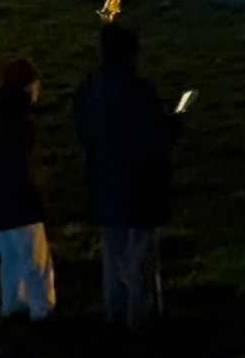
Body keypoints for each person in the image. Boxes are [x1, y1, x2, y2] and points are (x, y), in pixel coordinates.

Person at [73, 22, 177, 329]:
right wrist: (174, 122)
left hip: (103, 184)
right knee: (140, 257)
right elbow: (154, 139)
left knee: (113, 256)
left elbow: (82, 130)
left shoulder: (90, 89)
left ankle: (115, 317)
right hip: (139, 187)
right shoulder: (138, 91)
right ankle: (140, 323)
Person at [0, 58, 55, 320]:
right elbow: (22, 162)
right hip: (19, 201)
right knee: (35, 260)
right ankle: (42, 311)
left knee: (10, 259)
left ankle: (12, 307)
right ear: (29, 85)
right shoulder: (19, 118)